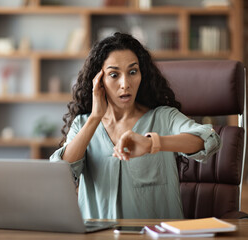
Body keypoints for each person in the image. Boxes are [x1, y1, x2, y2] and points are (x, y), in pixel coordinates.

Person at [50, 32, 221, 219]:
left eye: (132, 72)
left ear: (142, 75)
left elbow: (208, 140)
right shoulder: (84, 124)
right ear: (99, 81)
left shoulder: (163, 117)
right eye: (114, 75)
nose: (125, 84)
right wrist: (95, 117)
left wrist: (152, 144)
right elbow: (60, 174)